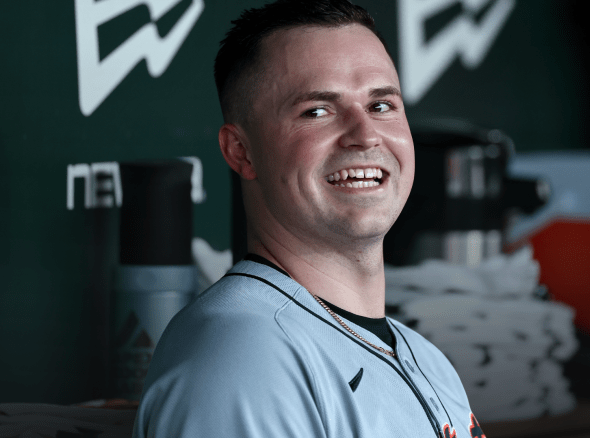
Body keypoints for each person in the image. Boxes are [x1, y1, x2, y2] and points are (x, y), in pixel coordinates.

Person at [132, 1, 484, 437]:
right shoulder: (244, 358)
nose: (366, 134)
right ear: (240, 151)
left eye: (381, 106)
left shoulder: (428, 359)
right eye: (317, 111)